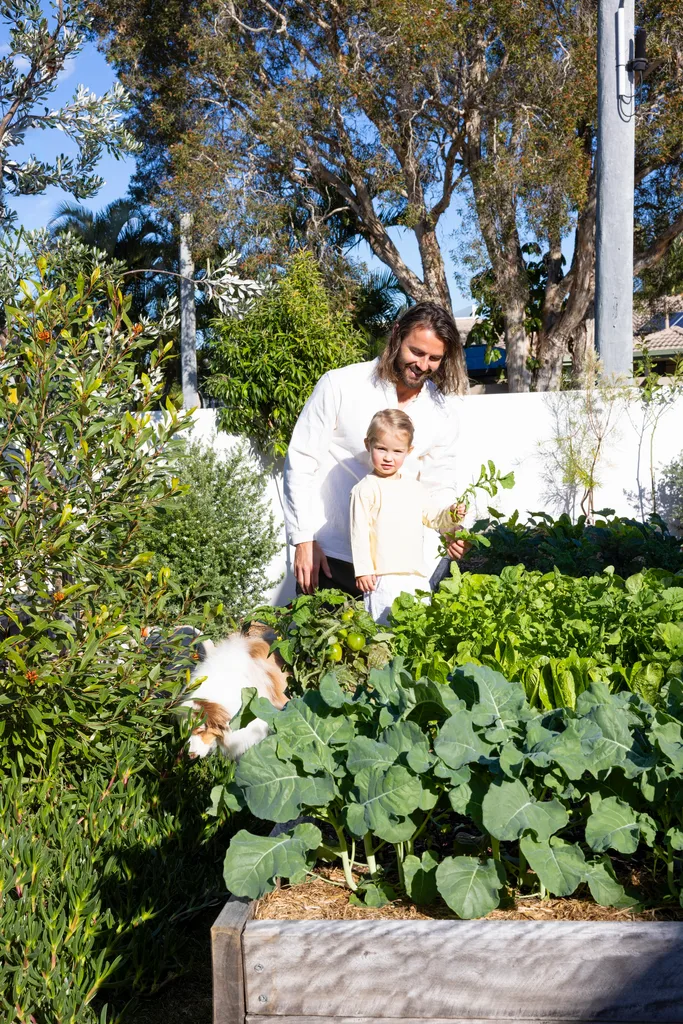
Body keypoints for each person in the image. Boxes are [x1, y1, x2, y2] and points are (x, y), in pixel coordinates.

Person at [283, 300, 466, 597]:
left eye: (434, 358)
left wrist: (451, 525)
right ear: (396, 335)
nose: (423, 365)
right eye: (416, 352)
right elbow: (302, 461)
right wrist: (303, 538)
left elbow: (438, 483)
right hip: (332, 557)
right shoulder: (340, 385)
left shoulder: (442, 412)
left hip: (398, 569)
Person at [350, 409, 465, 623]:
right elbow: (359, 533)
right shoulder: (365, 489)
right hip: (382, 577)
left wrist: (451, 514)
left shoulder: (414, 487)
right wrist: (363, 570)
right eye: (381, 449)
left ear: (409, 451)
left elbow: (433, 517)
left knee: (418, 631)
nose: (388, 457)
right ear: (368, 445)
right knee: (384, 634)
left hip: (416, 576)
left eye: (397, 451)